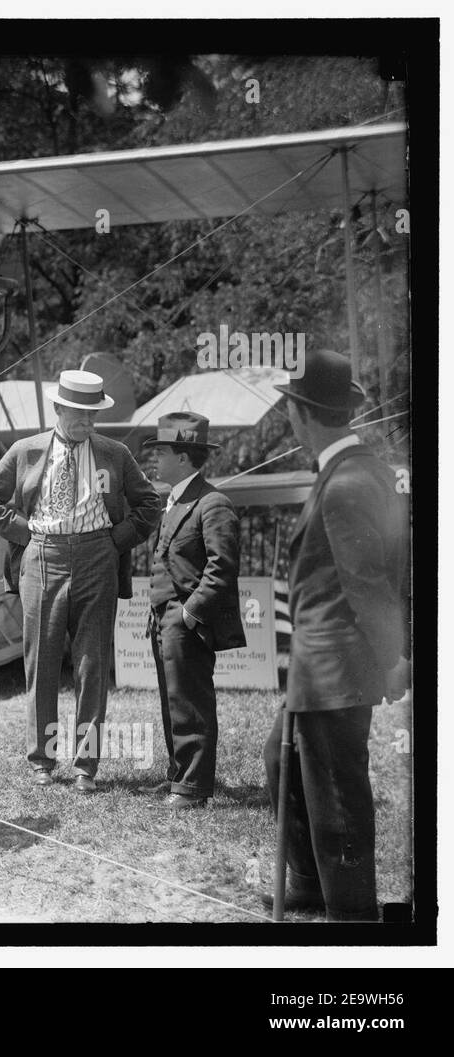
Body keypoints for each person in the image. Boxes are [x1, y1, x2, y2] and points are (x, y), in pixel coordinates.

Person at [262, 350, 408, 920]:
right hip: (322, 667)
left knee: (336, 798)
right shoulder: (356, 470)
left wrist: (392, 660)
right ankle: (308, 882)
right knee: (283, 759)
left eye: (291, 410)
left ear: (302, 414)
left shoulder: (348, 481)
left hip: (337, 668)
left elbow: (369, 585)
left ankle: (353, 916)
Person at [0, 369, 161, 793]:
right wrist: (26, 533)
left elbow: (150, 503)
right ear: (57, 408)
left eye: (93, 415)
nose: (87, 423)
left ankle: (85, 767)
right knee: (40, 660)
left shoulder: (114, 453)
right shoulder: (26, 451)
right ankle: (42, 760)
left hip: (99, 557)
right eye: (78, 414)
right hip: (42, 556)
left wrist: (117, 541)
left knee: (93, 662)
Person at [140, 413, 245, 809]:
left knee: (191, 701)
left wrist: (190, 612)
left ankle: (194, 787)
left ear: (184, 458)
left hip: (186, 620)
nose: (154, 460)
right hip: (163, 618)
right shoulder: (176, 501)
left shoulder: (213, 503)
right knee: (173, 699)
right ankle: (179, 776)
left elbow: (223, 566)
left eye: (161, 452)